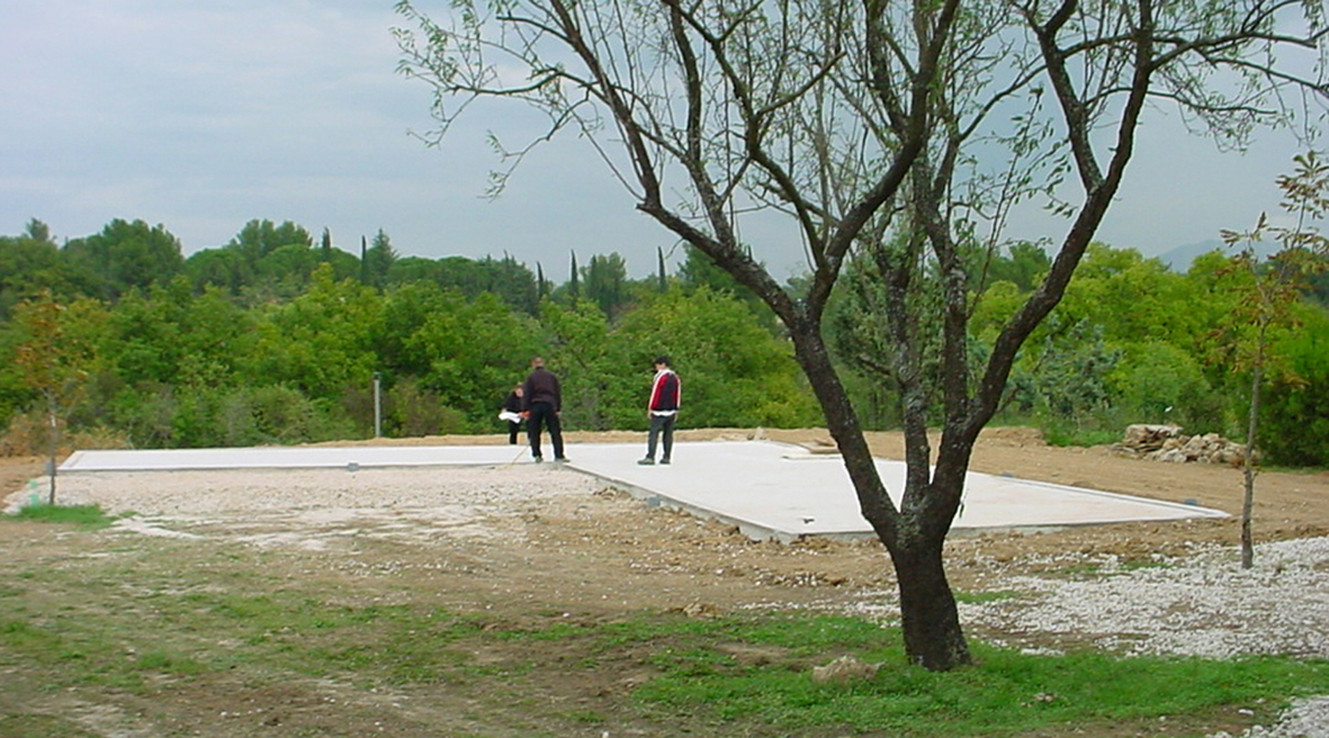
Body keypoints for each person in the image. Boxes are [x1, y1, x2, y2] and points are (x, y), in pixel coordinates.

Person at [522, 356, 567, 462]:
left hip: (536, 405)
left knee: (534, 431)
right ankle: (559, 455)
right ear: (543, 364)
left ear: (533, 364)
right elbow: (557, 393)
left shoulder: (531, 377)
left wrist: (525, 409)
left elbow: (527, 394)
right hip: (550, 404)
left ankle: (537, 454)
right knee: (555, 431)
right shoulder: (552, 377)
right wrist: (558, 408)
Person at [638, 355, 680, 465]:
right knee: (668, 434)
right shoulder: (675, 377)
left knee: (654, 433)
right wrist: (676, 408)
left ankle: (650, 456)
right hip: (671, 409)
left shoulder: (660, 377)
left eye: (657, 365)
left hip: (659, 410)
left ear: (663, 365)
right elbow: (677, 394)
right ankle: (666, 456)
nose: (656, 367)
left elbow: (655, 393)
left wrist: (650, 407)